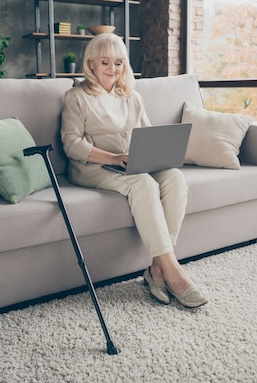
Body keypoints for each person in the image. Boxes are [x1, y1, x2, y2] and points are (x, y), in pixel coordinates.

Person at [60, 33, 208, 308]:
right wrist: (114, 158)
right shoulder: (76, 97)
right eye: (105, 62)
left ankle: (157, 268)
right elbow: (71, 144)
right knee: (144, 184)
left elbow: (147, 133)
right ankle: (173, 270)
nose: (112, 69)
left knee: (174, 178)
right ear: (91, 64)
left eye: (118, 63)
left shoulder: (131, 97)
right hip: (93, 168)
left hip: (131, 163)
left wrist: (154, 154)